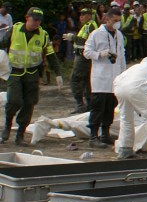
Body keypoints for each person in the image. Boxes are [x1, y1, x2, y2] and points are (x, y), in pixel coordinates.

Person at [1, 8, 63, 145]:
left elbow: (50, 54)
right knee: (15, 101)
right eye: (34, 19)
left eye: (39, 20)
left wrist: (58, 74)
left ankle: (20, 135)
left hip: (32, 73)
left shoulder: (43, 35)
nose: (37, 23)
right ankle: (7, 126)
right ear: (27, 18)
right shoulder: (15, 30)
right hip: (14, 72)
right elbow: (2, 44)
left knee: (30, 103)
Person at [83, 8, 126, 148]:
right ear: (106, 19)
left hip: (115, 76)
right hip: (100, 77)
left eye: (119, 21)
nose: (117, 24)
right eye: (114, 21)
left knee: (110, 106)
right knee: (98, 107)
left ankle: (105, 133)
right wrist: (100, 54)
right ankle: (93, 136)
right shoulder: (96, 34)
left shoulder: (119, 34)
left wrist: (123, 74)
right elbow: (87, 52)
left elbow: (122, 55)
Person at [113, 59, 147, 159]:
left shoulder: (136, 67)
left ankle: (125, 149)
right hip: (137, 86)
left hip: (119, 85)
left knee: (126, 118)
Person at [70, 8, 97, 113]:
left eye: (84, 14)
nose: (81, 16)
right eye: (80, 14)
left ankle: (80, 104)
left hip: (83, 57)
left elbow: (87, 41)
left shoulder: (91, 26)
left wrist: (73, 38)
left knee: (75, 79)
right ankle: (89, 104)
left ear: (89, 16)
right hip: (81, 55)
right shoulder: (86, 26)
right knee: (86, 80)